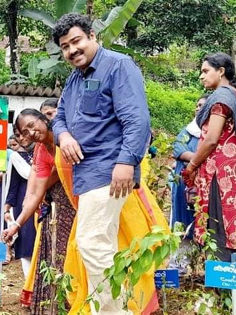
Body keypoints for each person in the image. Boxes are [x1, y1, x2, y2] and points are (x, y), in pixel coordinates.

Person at [51, 13, 151, 313]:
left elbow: (137, 120)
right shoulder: (74, 78)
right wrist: (64, 135)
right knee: (101, 245)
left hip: (110, 169)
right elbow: (59, 118)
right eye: (65, 47)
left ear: (93, 36)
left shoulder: (118, 65)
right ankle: (114, 309)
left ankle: (112, 311)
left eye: (76, 41)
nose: (71, 50)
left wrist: (126, 162)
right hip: (87, 172)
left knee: (92, 241)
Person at [183, 52, 236, 262]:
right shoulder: (232, 95)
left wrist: (192, 166)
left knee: (218, 226)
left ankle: (222, 290)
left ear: (221, 71)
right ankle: (227, 289)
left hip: (220, 171)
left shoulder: (222, 99)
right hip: (229, 168)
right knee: (225, 226)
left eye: (205, 71)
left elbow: (211, 139)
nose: (201, 76)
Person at [4, 108, 77, 314]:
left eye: (31, 126)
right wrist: (16, 225)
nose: (30, 133)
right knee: (60, 256)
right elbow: (34, 191)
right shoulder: (41, 151)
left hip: (84, 201)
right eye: (24, 133)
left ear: (44, 119)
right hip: (61, 208)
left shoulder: (69, 136)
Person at [167, 94, 207, 275]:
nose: (199, 108)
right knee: (182, 222)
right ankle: (180, 267)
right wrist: (199, 158)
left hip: (206, 185)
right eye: (197, 105)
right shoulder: (188, 131)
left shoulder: (217, 131)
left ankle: (209, 269)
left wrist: (191, 157)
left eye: (203, 106)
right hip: (184, 185)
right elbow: (177, 149)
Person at [4, 130, 36, 277]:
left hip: (45, 203)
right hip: (23, 204)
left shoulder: (46, 151)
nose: (22, 138)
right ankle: (28, 284)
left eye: (25, 133)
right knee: (27, 244)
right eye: (18, 135)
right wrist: (6, 210)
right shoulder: (16, 157)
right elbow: (13, 185)